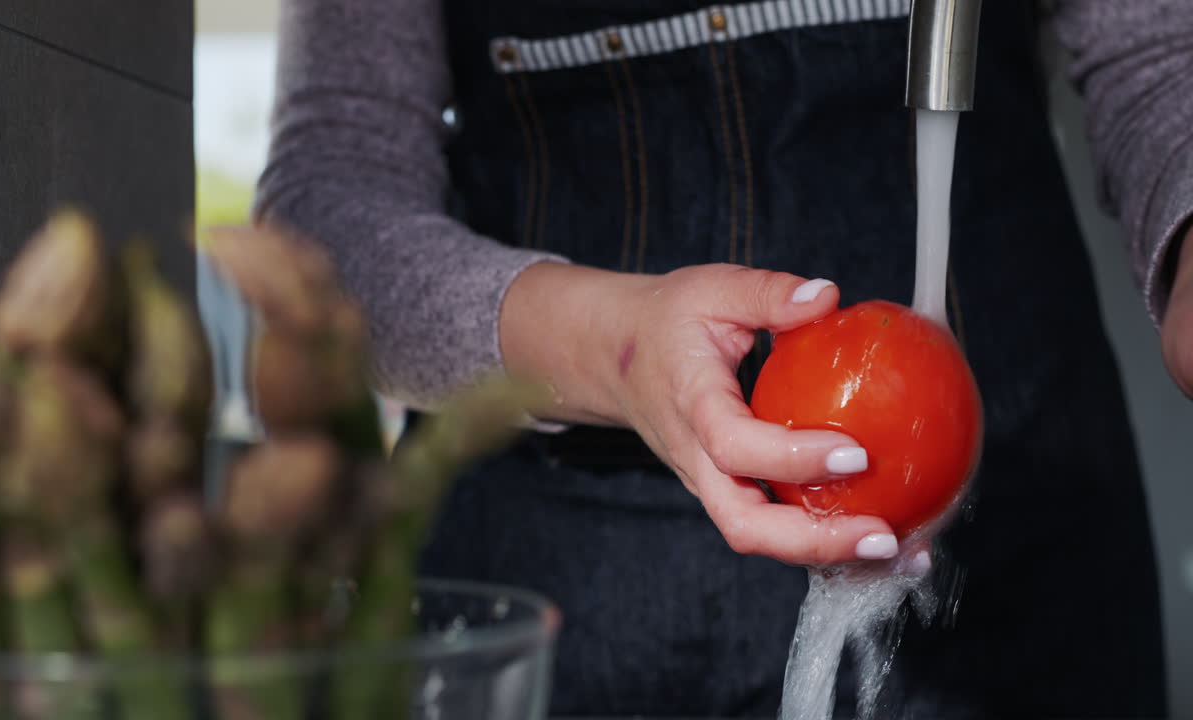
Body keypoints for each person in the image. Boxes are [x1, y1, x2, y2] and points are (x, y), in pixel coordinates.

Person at [255, 0, 1191, 716]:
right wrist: (615, 346)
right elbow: (326, 207)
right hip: (556, 574)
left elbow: (1158, 52)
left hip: (1008, 551)